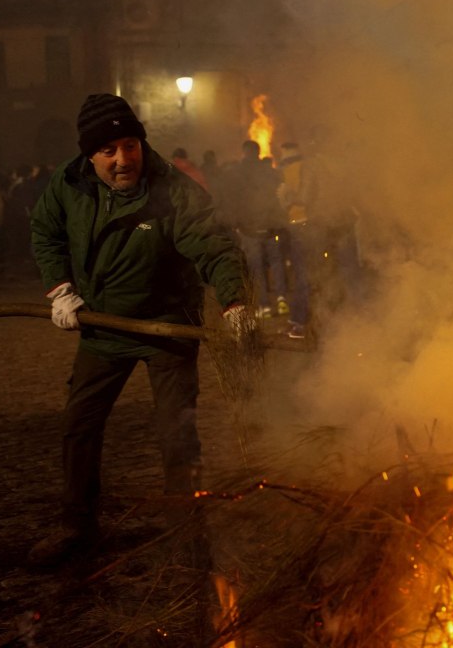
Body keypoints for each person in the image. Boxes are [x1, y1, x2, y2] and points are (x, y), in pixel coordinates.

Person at [27, 93, 254, 566]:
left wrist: (234, 301)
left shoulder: (172, 191)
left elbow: (214, 246)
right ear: (90, 156)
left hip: (168, 328)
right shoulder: (68, 185)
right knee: (79, 426)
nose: (122, 159)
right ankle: (78, 525)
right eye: (108, 151)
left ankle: (186, 532)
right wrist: (60, 287)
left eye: (129, 145)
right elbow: (45, 231)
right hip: (103, 327)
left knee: (177, 434)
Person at [217, 140, 288, 318]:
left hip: (249, 228)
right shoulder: (270, 172)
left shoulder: (236, 174)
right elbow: (279, 196)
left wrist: (235, 223)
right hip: (272, 226)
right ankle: (281, 299)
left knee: (256, 268)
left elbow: (233, 201)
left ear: (244, 152)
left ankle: (264, 306)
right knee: (277, 263)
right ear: (257, 152)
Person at [275, 142, 314, 339]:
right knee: (300, 274)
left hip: (304, 225)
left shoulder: (301, 167)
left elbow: (304, 197)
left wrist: (288, 198)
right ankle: (296, 319)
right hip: (296, 225)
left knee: (302, 276)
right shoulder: (290, 168)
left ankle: (300, 323)